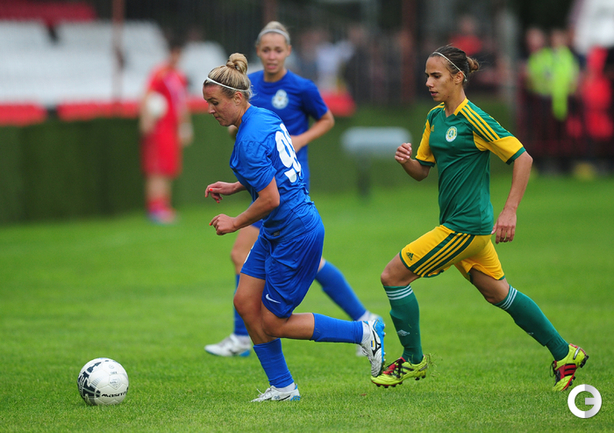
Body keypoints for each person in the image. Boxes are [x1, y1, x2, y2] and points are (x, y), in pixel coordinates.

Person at [371, 45, 588, 392]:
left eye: (436, 76)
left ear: (458, 78)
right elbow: (422, 171)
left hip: (465, 227)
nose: (428, 83)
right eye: (427, 76)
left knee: (393, 277)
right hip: (462, 226)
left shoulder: (475, 119)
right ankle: (565, 354)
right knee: (499, 294)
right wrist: (407, 161)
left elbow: (523, 158)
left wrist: (509, 210)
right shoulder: (434, 117)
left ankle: (413, 360)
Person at [202, 53, 385, 402]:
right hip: (279, 229)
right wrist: (237, 186)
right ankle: (284, 388)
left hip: (295, 232)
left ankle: (363, 333)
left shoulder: (248, 138)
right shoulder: (262, 116)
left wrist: (235, 222)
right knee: (245, 301)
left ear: (236, 98)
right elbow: (273, 170)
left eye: (215, 102)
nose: (210, 110)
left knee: (273, 322)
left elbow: (270, 199)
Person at [139, 37, 193, 224]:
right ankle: (154, 208)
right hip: (159, 128)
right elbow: (147, 96)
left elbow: (181, 104)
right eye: (174, 53)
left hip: (171, 128)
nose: (176, 57)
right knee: (157, 169)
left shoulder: (179, 77)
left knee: (168, 168)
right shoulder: (160, 73)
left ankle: (164, 206)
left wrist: (185, 127)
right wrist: (146, 119)